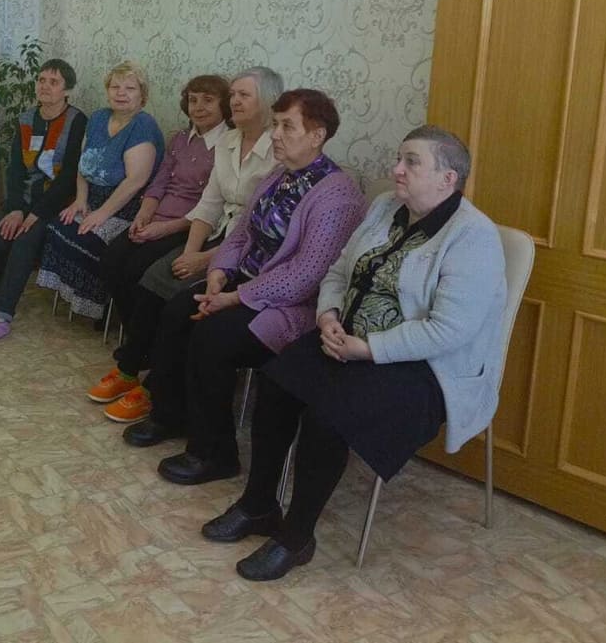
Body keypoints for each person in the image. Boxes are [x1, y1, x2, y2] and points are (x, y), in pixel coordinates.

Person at [202, 126, 507, 581]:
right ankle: (258, 504)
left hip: (424, 367)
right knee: (277, 380)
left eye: (411, 162)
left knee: (327, 417)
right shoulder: (385, 207)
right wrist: (327, 315)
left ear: (448, 179)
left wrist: (369, 348)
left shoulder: (473, 237)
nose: (396, 169)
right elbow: (339, 271)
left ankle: (296, 536)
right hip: (347, 337)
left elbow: (450, 330)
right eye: (399, 158)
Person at [122, 90, 365, 493]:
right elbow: (242, 233)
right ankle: (170, 414)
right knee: (178, 309)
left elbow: (306, 276)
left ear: (317, 135)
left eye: (288, 126)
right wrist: (218, 273)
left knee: (213, 336)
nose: (276, 135)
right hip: (247, 284)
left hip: (293, 307)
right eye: (276, 124)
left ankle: (215, 453)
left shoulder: (337, 195)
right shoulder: (279, 175)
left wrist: (235, 297)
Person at [90, 67, 281, 422]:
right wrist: (191, 253)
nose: (235, 101)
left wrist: (203, 258)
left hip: (240, 246)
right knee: (153, 281)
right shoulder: (230, 141)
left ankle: (155, 388)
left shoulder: (277, 151)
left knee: (176, 302)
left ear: (268, 102)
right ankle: (130, 369)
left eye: (243, 95)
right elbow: (209, 204)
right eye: (233, 95)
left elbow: (257, 227)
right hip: (213, 232)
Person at [35, 61, 164, 321]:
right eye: (115, 87)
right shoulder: (98, 118)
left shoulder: (143, 126)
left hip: (126, 207)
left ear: (142, 95)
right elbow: (84, 162)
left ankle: (95, 305)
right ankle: (73, 295)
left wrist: (102, 214)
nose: (121, 93)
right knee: (56, 226)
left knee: (87, 238)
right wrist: (80, 200)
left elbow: (135, 181)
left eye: (130, 88)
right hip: (92, 197)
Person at [0, 59, 87, 343]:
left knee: (25, 240)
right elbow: (14, 170)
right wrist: (15, 209)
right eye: (41, 80)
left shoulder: (77, 121)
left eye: (54, 82)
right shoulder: (25, 119)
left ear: (67, 90)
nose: (45, 86)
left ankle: (1, 314)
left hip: (57, 203)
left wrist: (37, 213)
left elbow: (69, 176)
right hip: (24, 201)